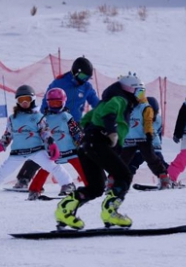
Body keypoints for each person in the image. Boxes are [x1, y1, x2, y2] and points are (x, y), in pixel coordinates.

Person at [54, 72, 143, 230]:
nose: (142, 97)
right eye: (140, 92)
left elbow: (86, 118)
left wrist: (89, 134)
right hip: (98, 143)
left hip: (87, 146)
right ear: (130, 90)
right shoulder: (120, 100)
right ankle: (110, 212)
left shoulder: (107, 101)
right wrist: (111, 131)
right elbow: (109, 113)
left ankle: (64, 211)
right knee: (124, 175)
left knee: (96, 187)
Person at [12, 57, 100, 190]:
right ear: (75, 72)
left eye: (87, 77)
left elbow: (95, 103)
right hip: (54, 121)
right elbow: (46, 101)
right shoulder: (60, 82)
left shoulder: (86, 86)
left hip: (74, 124)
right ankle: (23, 179)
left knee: (82, 152)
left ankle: (93, 182)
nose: (85, 79)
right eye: (82, 76)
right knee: (44, 150)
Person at [0, 85, 74, 206]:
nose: (24, 102)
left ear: (32, 100)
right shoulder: (13, 118)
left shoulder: (37, 117)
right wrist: (0, 147)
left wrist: (52, 145)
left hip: (36, 150)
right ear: (17, 101)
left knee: (53, 166)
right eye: (21, 100)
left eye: (27, 99)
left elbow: (45, 133)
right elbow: (8, 134)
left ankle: (67, 184)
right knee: (1, 173)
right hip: (18, 152)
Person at [27, 88, 86, 200]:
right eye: (52, 103)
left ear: (63, 102)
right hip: (53, 152)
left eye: (57, 103)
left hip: (69, 149)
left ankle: (92, 187)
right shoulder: (45, 118)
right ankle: (34, 190)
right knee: (45, 170)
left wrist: (81, 141)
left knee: (82, 168)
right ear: (48, 103)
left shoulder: (66, 116)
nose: (54, 105)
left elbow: (75, 130)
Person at [119, 94, 172, 189]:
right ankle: (169, 180)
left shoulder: (141, 116)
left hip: (143, 146)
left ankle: (123, 183)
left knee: (132, 165)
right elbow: (158, 134)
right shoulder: (157, 119)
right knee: (159, 164)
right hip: (149, 147)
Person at [127, 96, 169, 175]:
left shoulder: (158, 120)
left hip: (152, 147)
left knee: (160, 164)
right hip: (140, 147)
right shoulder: (137, 118)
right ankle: (121, 181)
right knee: (131, 165)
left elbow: (158, 134)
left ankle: (169, 179)